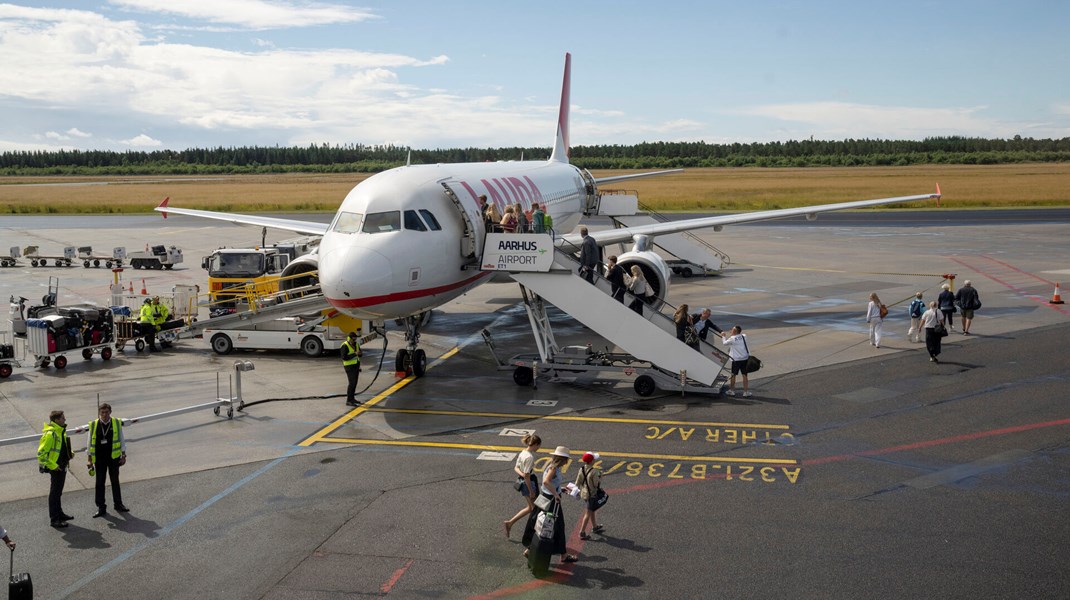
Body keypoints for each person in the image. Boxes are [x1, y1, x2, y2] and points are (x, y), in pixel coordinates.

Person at [523, 446, 578, 568]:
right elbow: (546, 482)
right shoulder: (554, 468)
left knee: (540, 525)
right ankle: (563, 555)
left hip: (545, 498)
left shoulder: (552, 466)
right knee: (556, 526)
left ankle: (530, 549)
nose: (567, 461)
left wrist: (560, 489)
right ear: (562, 459)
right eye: (566, 459)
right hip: (551, 501)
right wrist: (556, 494)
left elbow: (549, 483)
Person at [87, 403, 129, 517]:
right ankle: (101, 507)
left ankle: (118, 504)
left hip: (113, 458)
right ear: (99, 413)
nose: (104, 415)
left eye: (106, 412)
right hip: (99, 460)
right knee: (99, 483)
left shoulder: (115, 422)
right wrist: (89, 460)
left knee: (115, 481)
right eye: (102, 412)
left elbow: (121, 439)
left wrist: (123, 455)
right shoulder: (94, 424)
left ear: (110, 412)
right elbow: (89, 443)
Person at [37, 410, 75, 528]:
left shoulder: (60, 431)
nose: (65, 420)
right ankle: (54, 519)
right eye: (63, 418)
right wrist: (54, 466)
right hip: (56, 468)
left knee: (58, 493)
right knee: (54, 493)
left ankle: (59, 514)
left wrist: (70, 453)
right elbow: (41, 454)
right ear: (56, 420)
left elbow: (60, 448)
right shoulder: (51, 434)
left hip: (62, 466)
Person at [504, 433, 542, 538]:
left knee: (531, 508)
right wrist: (531, 490)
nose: (539, 448)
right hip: (529, 482)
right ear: (536, 444)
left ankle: (510, 523)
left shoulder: (523, 452)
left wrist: (523, 475)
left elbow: (516, 468)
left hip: (523, 481)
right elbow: (527, 476)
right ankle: (533, 534)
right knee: (535, 509)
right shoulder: (529, 457)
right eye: (539, 445)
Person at [574, 452, 606, 540]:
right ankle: (582, 532)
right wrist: (600, 476)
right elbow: (596, 484)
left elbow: (578, 482)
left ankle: (595, 526)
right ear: (592, 461)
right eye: (594, 459)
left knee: (592, 510)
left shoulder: (581, 469)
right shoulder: (594, 471)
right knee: (588, 513)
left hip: (584, 493)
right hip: (592, 494)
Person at [720, 325, 753, 397]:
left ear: (734, 331)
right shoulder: (744, 336)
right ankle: (746, 392)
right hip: (745, 358)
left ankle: (732, 391)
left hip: (736, 360)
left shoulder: (732, 338)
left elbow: (724, 343)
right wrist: (733, 333)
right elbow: (738, 337)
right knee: (745, 375)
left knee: (733, 375)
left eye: (732, 330)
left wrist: (723, 336)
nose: (730, 330)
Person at [341, 332, 363, 406]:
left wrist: (359, 354)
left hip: (356, 365)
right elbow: (344, 357)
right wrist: (355, 354)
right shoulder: (345, 345)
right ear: (350, 338)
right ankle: (349, 400)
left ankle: (352, 399)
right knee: (352, 383)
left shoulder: (356, 344)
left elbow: (359, 354)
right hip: (349, 367)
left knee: (355, 383)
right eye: (353, 339)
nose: (355, 340)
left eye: (355, 339)